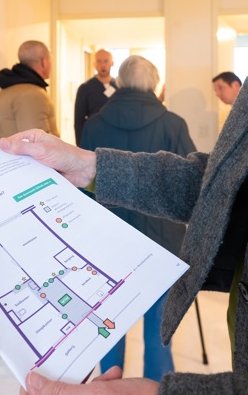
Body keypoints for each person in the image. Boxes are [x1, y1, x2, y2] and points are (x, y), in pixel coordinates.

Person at [0, 0, 248, 393]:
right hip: (181, 263)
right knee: (154, 326)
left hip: (112, 236)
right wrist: (91, 165)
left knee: (108, 323)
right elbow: (226, 182)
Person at [81, 55, 196, 381]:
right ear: (155, 83)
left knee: (108, 326)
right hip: (163, 241)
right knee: (159, 329)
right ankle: (156, 386)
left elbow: (83, 189)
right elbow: (190, 186)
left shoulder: (93, 125)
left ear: (119, 82)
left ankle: (108, 386)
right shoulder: (173, 124)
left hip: (107, 241)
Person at [0, 40, 59, 140]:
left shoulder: (9, 88)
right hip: (24, 151)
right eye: (50, 60)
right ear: (44, 62)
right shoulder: (32, 94)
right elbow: (37, 142)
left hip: (8, 150)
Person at [74, 49, 117, 147]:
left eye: (106, 61)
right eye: (99, 61)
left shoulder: (119, 87)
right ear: (94, 64)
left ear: (112, 63)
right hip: (94, 140)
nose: (102, 65)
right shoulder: (85, 88)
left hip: (116, 140)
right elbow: (78, 121)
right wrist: (80, 146)